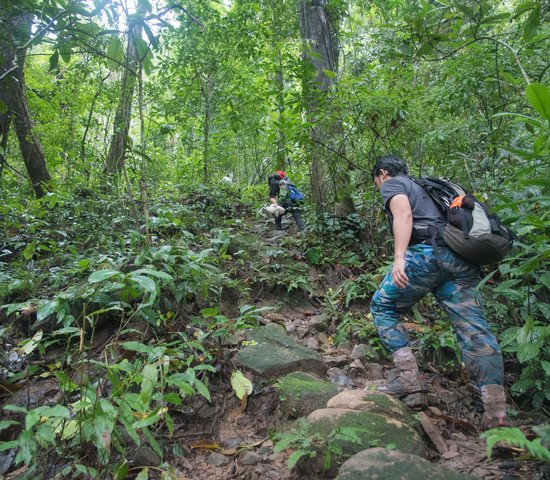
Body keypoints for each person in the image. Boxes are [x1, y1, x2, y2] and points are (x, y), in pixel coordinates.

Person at [369, 155, 508, 429]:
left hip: (425, 256)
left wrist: (399, 258)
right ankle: (497, 413)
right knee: (475, 330)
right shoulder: (428, 188)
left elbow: (404, 215)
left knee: (383, 306)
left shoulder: (392, 184)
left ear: (383, 173)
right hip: (460, 262)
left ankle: (408, 379)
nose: (378, 186)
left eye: (377, 180)